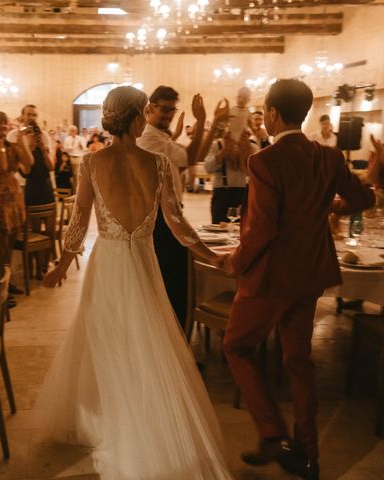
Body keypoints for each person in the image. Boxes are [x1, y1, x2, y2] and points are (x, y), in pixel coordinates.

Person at [38, 86, 232, 480]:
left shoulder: (92, 164)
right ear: (137, 116)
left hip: (108, 263)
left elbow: (78, 221)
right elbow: (178, 224)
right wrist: (212, 257)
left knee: (108, 342)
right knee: (146, 341)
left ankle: (116, 418)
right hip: (143, 262)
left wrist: (62, 264)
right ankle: (140, 420)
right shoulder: (157, 162)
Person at [220, 79, 375, 480]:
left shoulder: (265, 161)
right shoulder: (328, 157)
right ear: (304, 113)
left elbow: (260, 231)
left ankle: (271, 433)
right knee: (298, 360)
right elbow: (362, 199)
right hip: (310, 274)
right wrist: (332, 205)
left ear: (271, 113)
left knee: (237, 346)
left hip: (271, 278)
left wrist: (234, 262)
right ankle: (308, 454)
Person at [138, 85, 228, 330]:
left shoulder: (160, 137)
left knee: (173, 286)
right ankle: (178, 348)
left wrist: (207, 125)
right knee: (176, 288)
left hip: (166, 216)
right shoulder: (149, 139)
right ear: (149, 108)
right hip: (160, 220)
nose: (168, 115)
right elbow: (191, 158)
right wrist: (201, 121)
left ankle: (176, 344)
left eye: (172, 109)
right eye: (164, 109)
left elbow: (189, 160)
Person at [0, 111, 33, 291]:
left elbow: (29, 162)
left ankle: (6, 277)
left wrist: (21, 140)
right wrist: (0, 147)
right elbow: (2, 167)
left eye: (5, 123)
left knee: (11, 236)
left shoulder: (12, 146)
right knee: (0, 238)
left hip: (13, 193)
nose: (3, 127)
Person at [204, 127, 255, 223]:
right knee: (219, 229)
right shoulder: (217, 145)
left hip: (244, 193)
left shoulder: (251, 146)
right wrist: (224, 151)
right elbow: (208, 167)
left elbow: (255, 172)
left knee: (242, 230)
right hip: (221, 193)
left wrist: (244, 153)